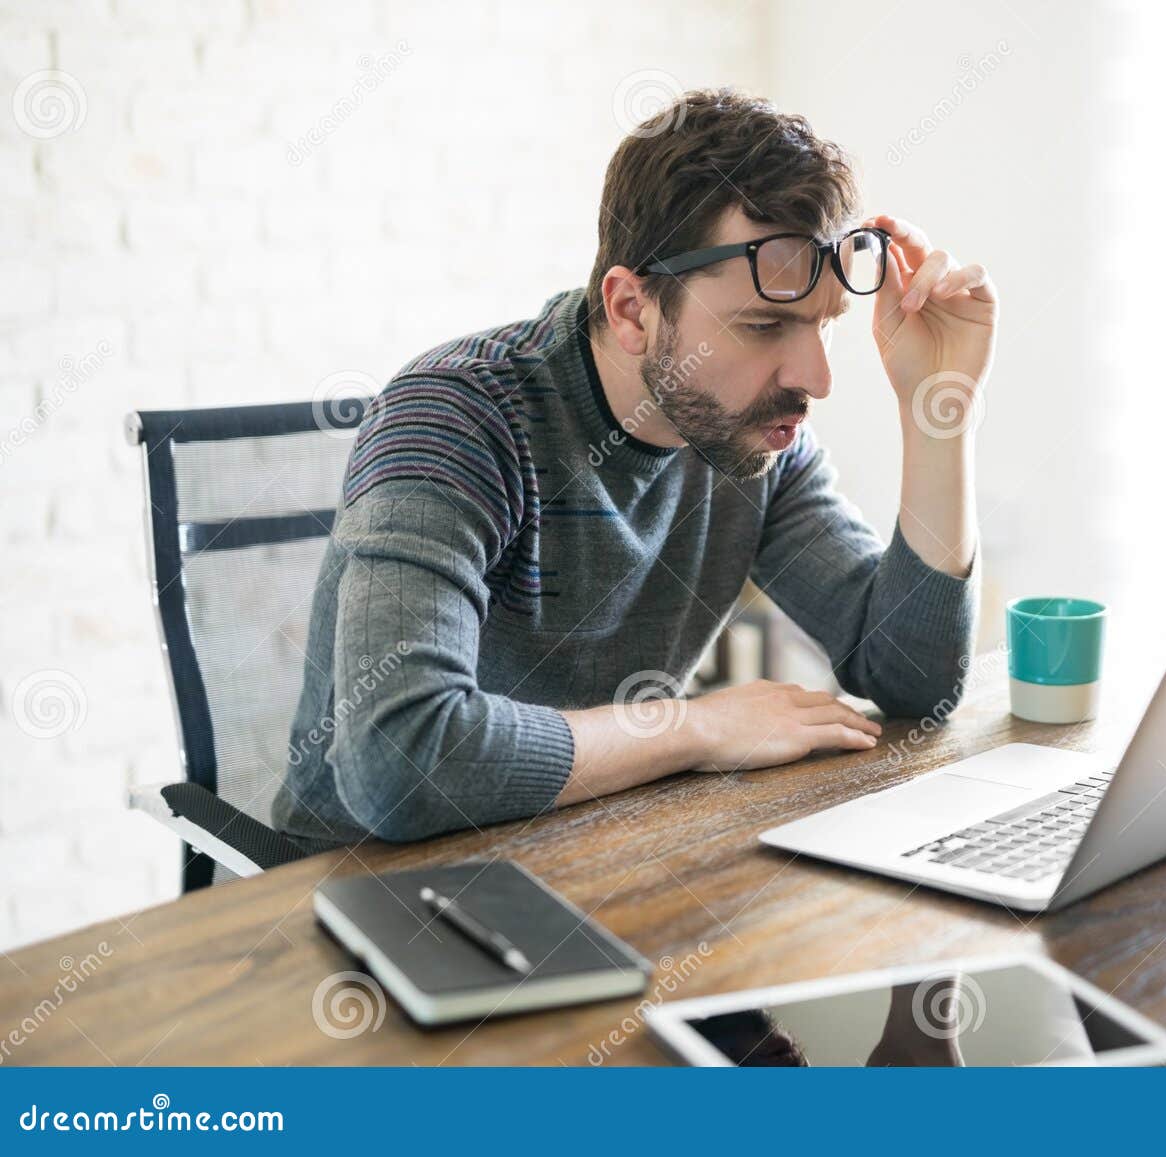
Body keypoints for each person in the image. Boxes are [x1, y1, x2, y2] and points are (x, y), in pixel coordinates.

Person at [273, 88, 997, 844]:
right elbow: (400, 763)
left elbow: (912, 677)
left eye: (821, 325)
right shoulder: (456, 419)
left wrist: (936, 409)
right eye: (763, 325)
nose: (816, 378)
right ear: (632, 310)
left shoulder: (750, 442)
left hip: (592, 852)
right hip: (359, 892)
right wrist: (693, 728)